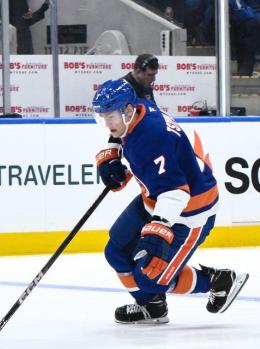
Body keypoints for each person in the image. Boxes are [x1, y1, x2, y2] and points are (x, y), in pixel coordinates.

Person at [92, 79, 249, 324]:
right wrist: (112, 151)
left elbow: (177, 191)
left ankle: (218, 280)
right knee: (116, 251)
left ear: (128, 111)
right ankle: (151, 306)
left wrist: (159, 228)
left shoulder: (152, 138)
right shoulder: (137, 109)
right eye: (102, 117)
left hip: (190, 210)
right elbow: (123, 138)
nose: (106, 123)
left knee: (149, 276)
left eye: (110, 117)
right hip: (155, 198)